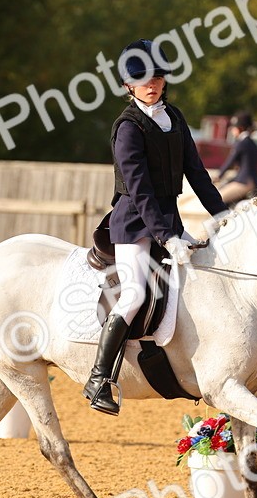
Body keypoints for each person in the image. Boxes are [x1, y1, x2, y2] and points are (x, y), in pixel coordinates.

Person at [82, 38, 228, 416]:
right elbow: (140, 189)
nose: (153, 84)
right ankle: (99, 378)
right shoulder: (128, 128)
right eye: (144, 79)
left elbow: (197, 172)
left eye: (158, 77)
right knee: (133, 294)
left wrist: (224, 215)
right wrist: (167, 236)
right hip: (133, 223)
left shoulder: (174, 117)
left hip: (168, 220)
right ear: (127, 85)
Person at [213, 111, 257, 205]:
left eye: (233, 128)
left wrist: (218, 176)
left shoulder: (241, 143)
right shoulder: (252, 143)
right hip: (253, 181)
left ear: (240, 128)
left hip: (244, 182)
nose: (232, 130)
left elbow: (229, 162)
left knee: (216, 200)